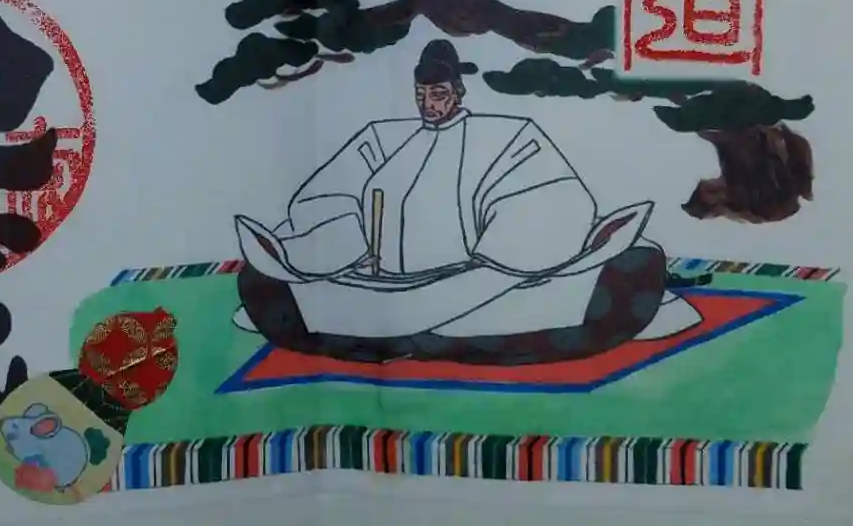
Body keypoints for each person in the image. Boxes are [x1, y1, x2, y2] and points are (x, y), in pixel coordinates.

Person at [232, 39, 702, 365]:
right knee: (267, 278)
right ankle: (417, 327)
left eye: (438, 94)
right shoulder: (383, 140)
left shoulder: (509, 138)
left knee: (635, 263)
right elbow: (326, 196)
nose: (429, 104)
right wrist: (346, 241)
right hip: (379, 281)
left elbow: (550, 198)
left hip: (490, 283)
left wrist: (498, 255)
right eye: (421, 95)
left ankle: (406, 330)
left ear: (458, 92)